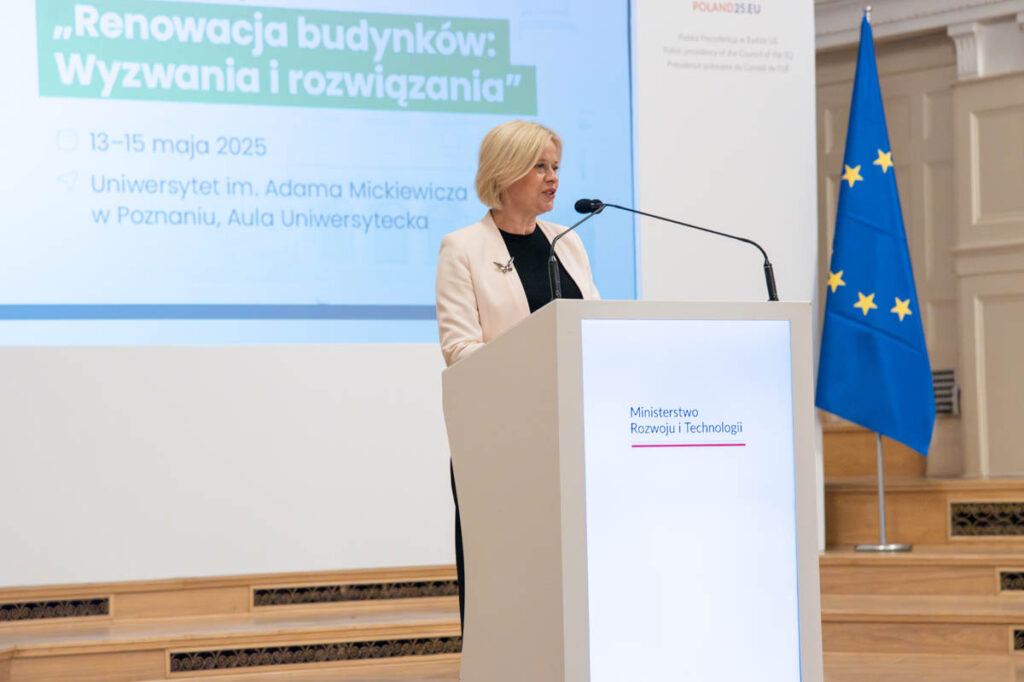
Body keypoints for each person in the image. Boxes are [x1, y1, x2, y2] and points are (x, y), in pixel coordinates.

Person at [435, 120, 600, 631]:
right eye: (540, 167)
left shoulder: (566, 242)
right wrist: (529, 363)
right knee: (503, 574)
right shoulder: (463, 248)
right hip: (502, 436)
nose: (553, 178)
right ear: (506, 172)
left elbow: (592, 326)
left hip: (569, 434)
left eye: (556, 167)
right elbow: (460, 349)